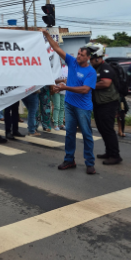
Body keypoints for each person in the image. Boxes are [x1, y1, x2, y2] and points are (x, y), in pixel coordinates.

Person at [42, 31, 97, 174]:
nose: (78, 56)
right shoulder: (72, 62)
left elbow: (85, 90)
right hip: (69, 104)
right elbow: (57, 48)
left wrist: (66, 87)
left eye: (82, 55)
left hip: (83, 108)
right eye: (78, 53)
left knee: (86, 134)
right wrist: (47, 36)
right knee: (69, 133)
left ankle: (90, 163)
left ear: (88, 58)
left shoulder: (91, 72)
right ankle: (69, 159)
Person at [87, 44, 122, 165]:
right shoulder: (96, 69)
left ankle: (115, 155)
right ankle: (109, 152)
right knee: (102, 129)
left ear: (98, 58)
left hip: (108, 103)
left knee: (108, 129)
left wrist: (89, 85)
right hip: (99, 103)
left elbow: (105, 83)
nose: (90, 61)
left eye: (92, 59)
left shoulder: (105, 68)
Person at [51, 64, 68, 131]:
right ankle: (55, 124)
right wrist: (62, 81)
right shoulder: (54, 70)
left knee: (62, 107)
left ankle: (61, 123)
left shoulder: (66, 69)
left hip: (64, 91)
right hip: (56, 90)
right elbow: (52, 80)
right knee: (57, 107)